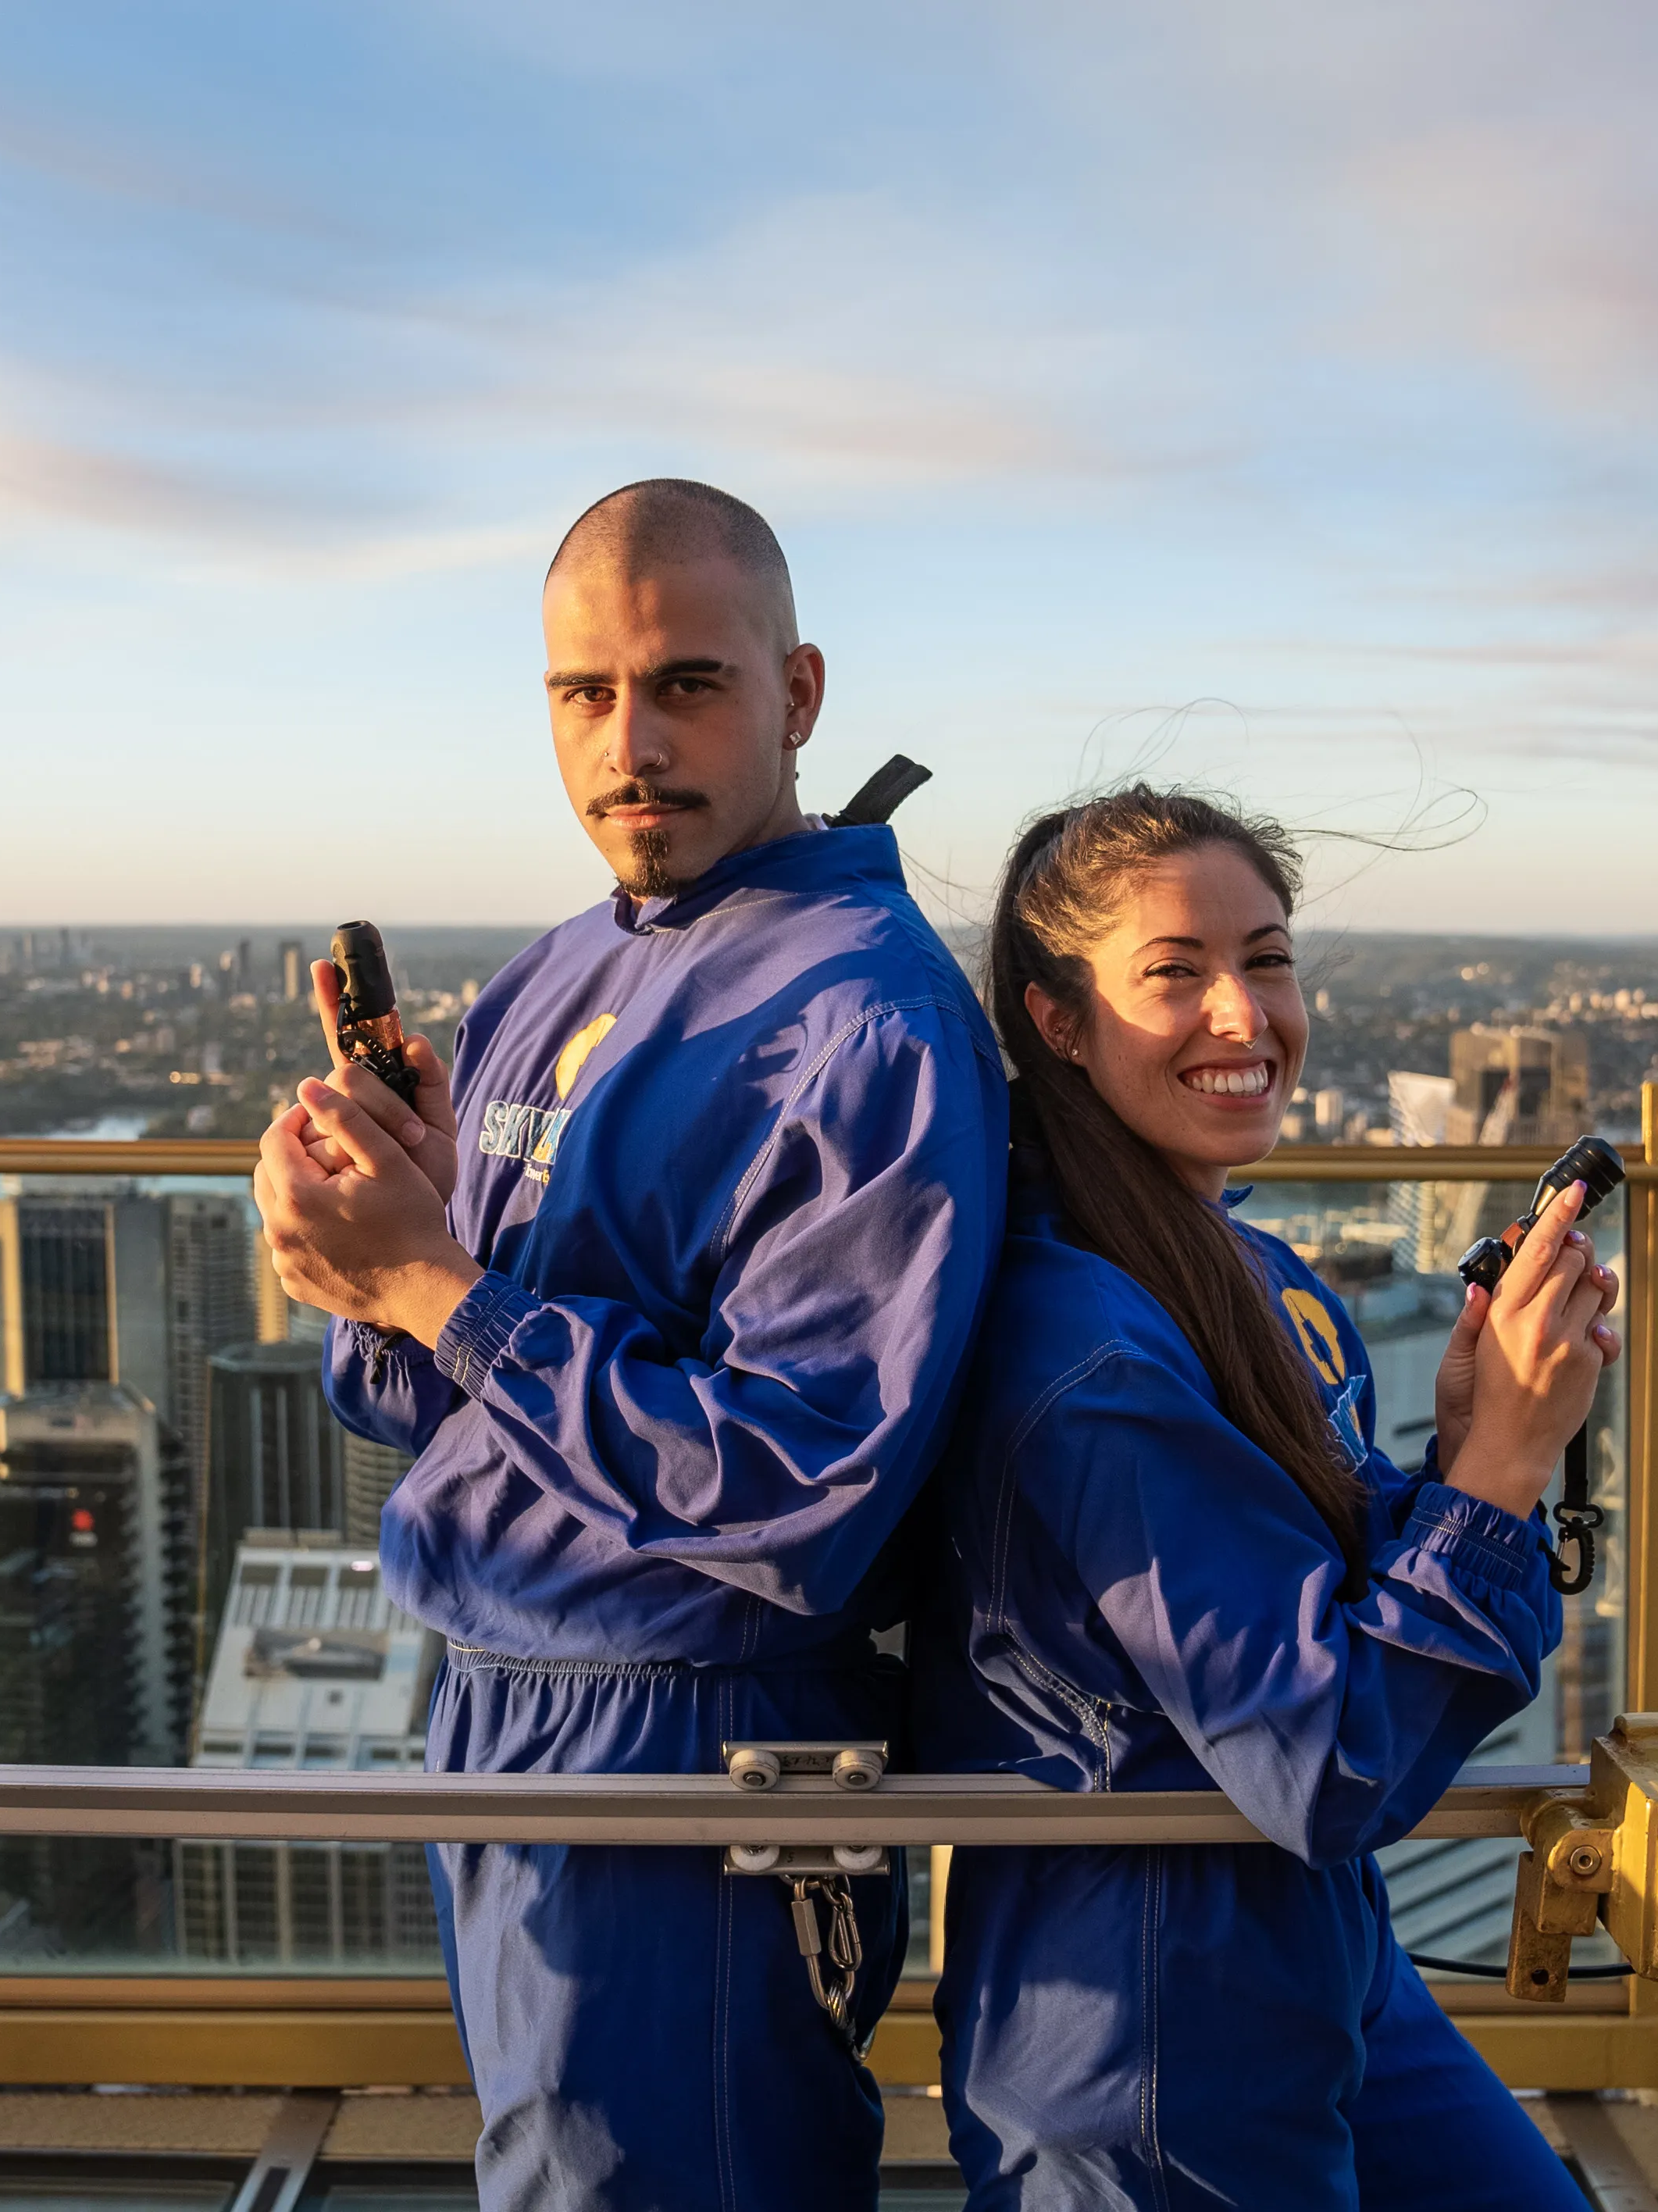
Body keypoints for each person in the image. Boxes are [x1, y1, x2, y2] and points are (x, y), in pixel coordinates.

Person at [254, 480, 1011, 2210]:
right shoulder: (549, 979)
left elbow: (799, 1492)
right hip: (493, 1706)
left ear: (796, 694)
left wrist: (444, 1291)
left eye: (686, 686)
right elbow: (416, 1406)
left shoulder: (861, 1021)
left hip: (701, 1740)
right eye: (581, 695)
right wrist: (363, 1256)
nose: (628, 744)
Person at [913, 787, 1616, 2210]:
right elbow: (1327, 1758)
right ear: (1055, 1020)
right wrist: (1502, 1474)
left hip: (1320, 1960)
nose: (1245, 1015)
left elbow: (1322, 1615)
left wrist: (1464, 1451)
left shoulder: (1261, 1280)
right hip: (1151, 2025)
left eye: (1269, 958)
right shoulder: (1083, 1355)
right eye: (1175, 972)